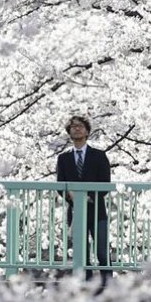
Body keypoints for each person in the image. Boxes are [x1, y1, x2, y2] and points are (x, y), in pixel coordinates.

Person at [56, 115, 112, 286]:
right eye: (73, 127)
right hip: (75, 211)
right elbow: (60, 184)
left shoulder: (99, 155)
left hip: (97, 210)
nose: (77, 128)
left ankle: (107, 283)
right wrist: (70, 195)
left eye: (80, 126)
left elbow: (105, 182)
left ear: (87, 131)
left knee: (102, 250)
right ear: (69, 132)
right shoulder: (63, 158)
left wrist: (88, 197)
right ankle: (85, 283)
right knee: (82, 251)